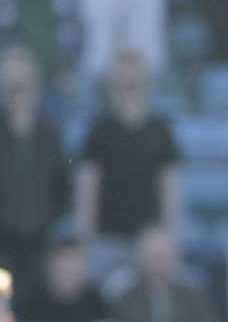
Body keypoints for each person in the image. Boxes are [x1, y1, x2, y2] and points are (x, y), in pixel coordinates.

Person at [0, 45, 71, 297]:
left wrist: (44, 217)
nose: (17, 93)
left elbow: (62, 186)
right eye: (10, 87)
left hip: (41, 242)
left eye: (23, 85)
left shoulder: (50, 136)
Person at [76, 49, 180, 274]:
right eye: (121, 82)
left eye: (133, 82)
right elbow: (88, 188)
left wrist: (170, 236)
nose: (127, 88)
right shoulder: (98, 130)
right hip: (108, 238)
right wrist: (87, 239)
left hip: (150, 241)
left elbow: (170, 188)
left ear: (145, 84)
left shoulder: (160, 130)